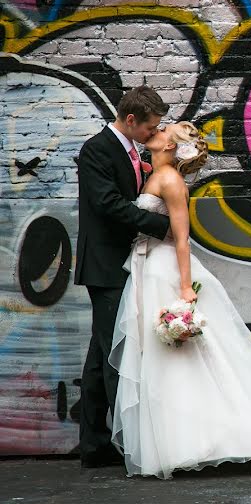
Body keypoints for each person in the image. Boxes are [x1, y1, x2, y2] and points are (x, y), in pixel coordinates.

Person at [108, 121, 251, 479]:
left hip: (165, 270)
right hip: (149, 267)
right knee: (166, 356)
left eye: (161, 132)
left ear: (169, 147)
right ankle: (185, 440)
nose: (154, 133)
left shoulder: (170, 181)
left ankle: (211, 439)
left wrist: (186, 288)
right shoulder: (156, 173)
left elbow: (181, 238)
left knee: (178, 357)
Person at [75, 86, 171, 468]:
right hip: (106, 266)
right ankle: (130, 442)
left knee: (102, 355)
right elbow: (108, 203)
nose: (153, 134)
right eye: (151, 127)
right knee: (116, 358)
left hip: (124, 264)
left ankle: (95, 445)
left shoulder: (133, 152)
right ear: (131, 120)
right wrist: (158, 225)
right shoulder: (97, 149)